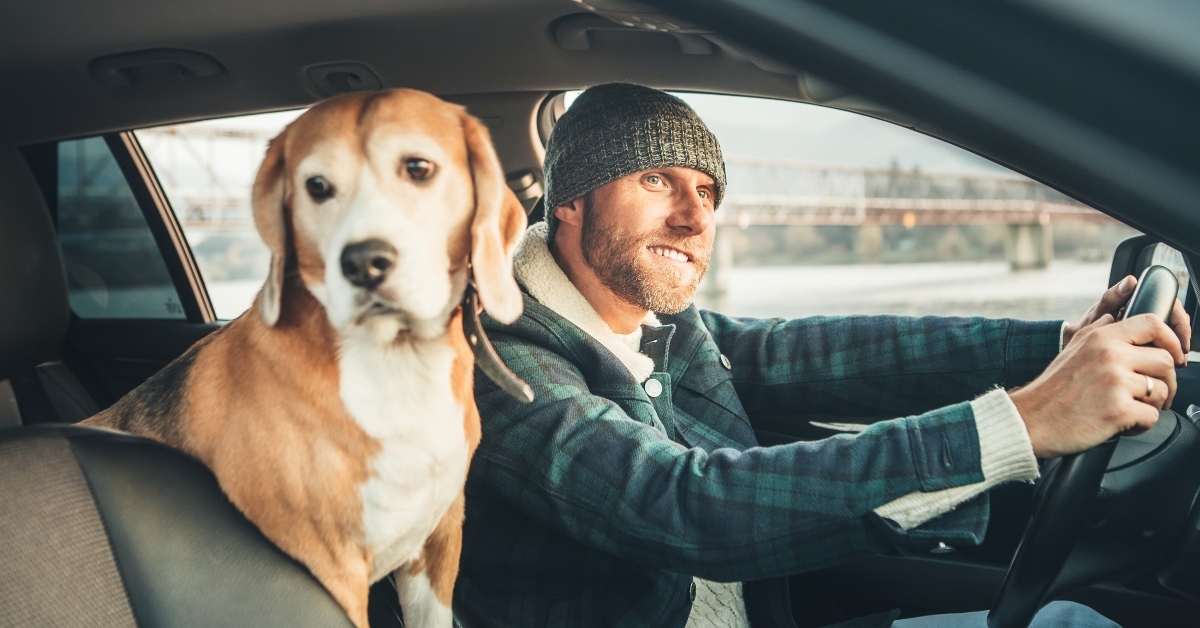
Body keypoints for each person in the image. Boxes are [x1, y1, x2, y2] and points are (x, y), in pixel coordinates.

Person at [453, 83, 1191, 628]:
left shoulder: (661, 326)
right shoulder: (500, 361)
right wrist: (1022, 423)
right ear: (571, 199)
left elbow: (825, 353)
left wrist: (1054, 344)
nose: (695, 218)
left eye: (707, 192)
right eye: (656, 180)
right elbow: (681, 505)